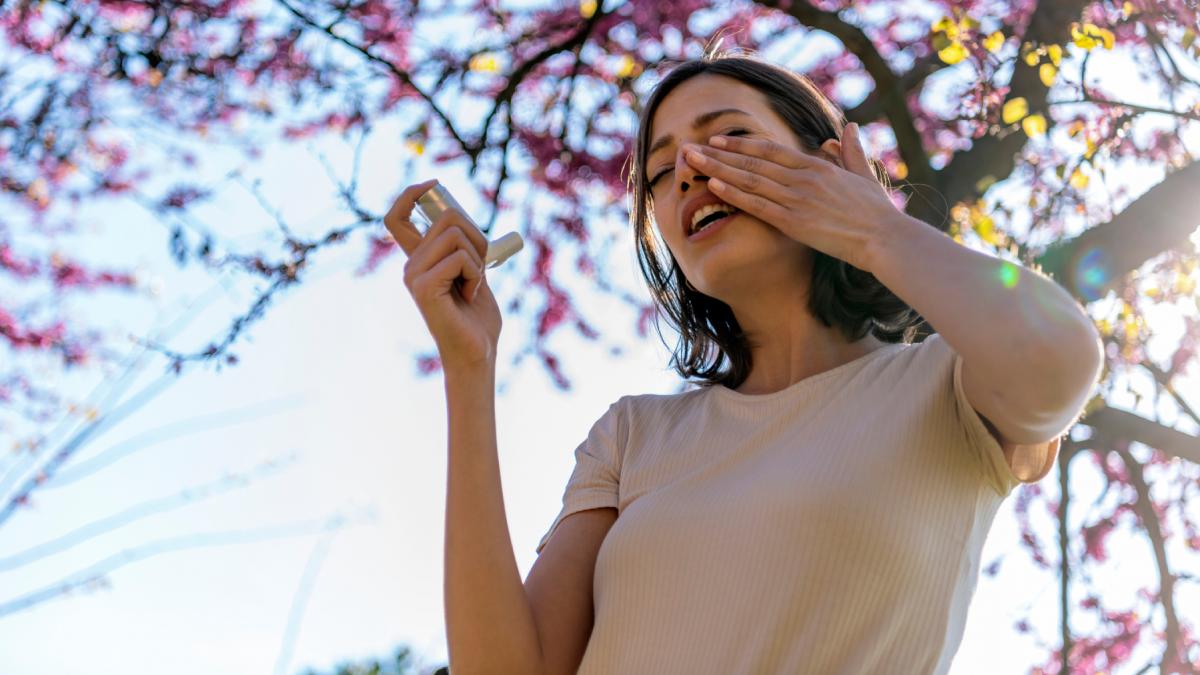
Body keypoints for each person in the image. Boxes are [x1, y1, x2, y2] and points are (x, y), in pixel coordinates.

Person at [385, 51, 1103, 675]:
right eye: (659, 172)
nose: (689, 170)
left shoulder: (948, 388)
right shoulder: (632, 436)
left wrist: (873, 227)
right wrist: (470, 366)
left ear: (829, 164)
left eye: (729, 137)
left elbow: (1061, 360)